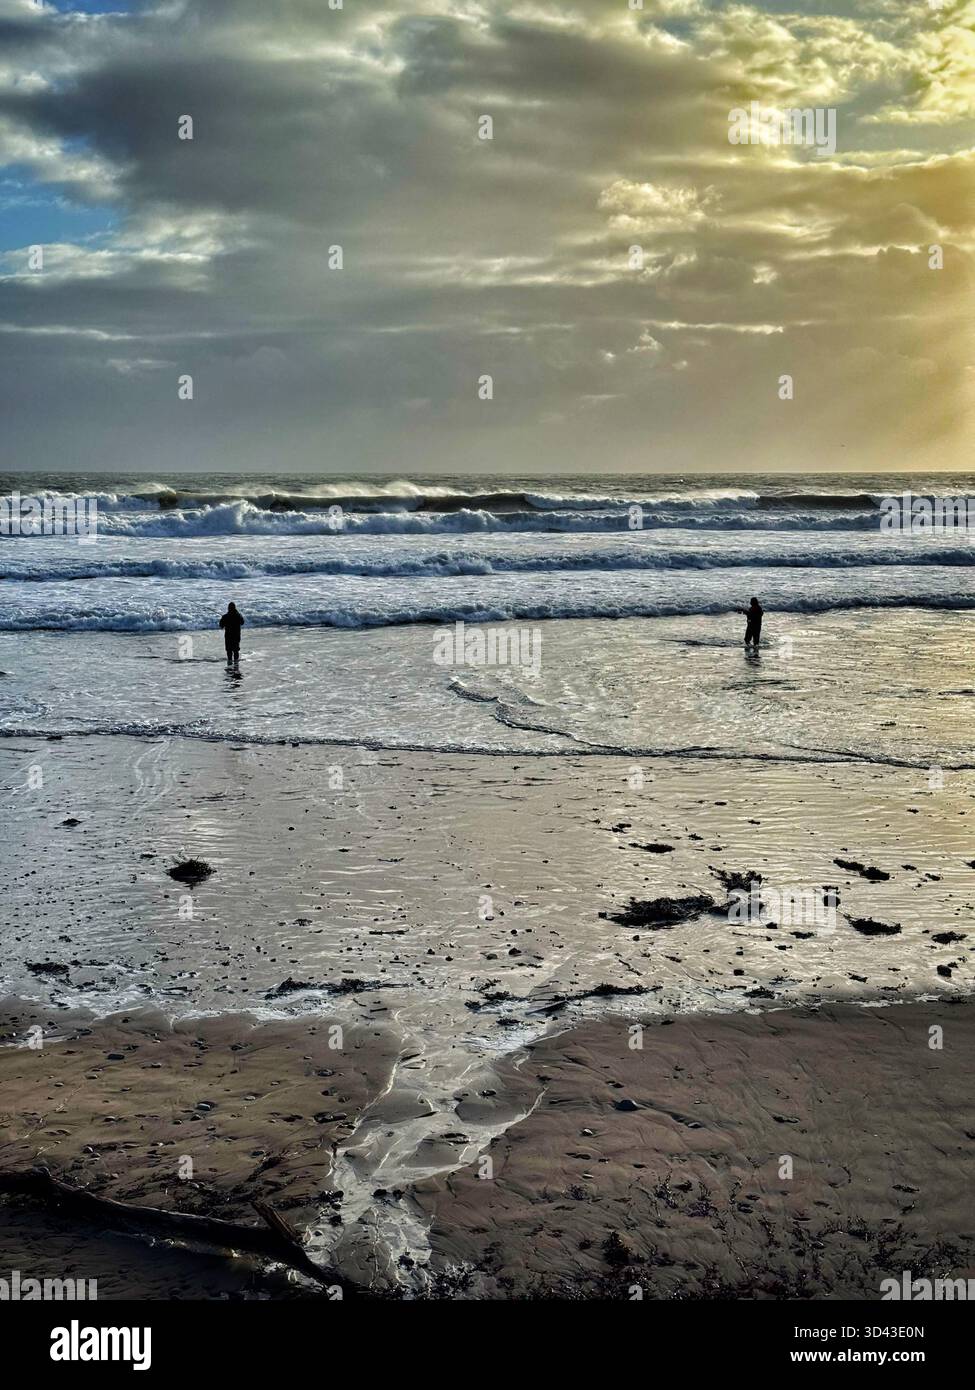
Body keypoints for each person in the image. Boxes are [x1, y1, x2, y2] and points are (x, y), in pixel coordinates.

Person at [219, 602, 244, 666]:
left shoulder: (225, 617)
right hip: (236, 636)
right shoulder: (238, 615)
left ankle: (230, 664)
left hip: (228, 637)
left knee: (229, 651)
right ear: (235, 608)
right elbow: (242, 622)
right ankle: (236, 664)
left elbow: (221, 626)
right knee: (236, 651)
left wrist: (223, 618)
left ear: (228, 608)